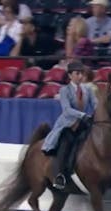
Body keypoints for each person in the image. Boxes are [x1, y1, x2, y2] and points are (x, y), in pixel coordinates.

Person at [41, 61, 97, 190]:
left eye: (81, 73)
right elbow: (67, 110)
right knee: (65, 143)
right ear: (70, 75)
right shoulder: (64, 90)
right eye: (77, 73)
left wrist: (99, 112)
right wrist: (83, 115)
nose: (80, 76)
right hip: (69, 124)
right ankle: (59, 175)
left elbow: (95, 103)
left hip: (84, 123)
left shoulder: (88, 90)